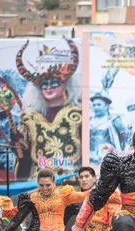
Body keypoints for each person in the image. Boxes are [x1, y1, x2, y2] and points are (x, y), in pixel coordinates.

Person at [14, 39, 82, 180]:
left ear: (65, 84)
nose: (49, 87)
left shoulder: (79, 113)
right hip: (39, 178)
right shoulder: (30, 117)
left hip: (70, 176)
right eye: (44, 85)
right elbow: (23, 151)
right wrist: (16, 140)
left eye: (54, 83)